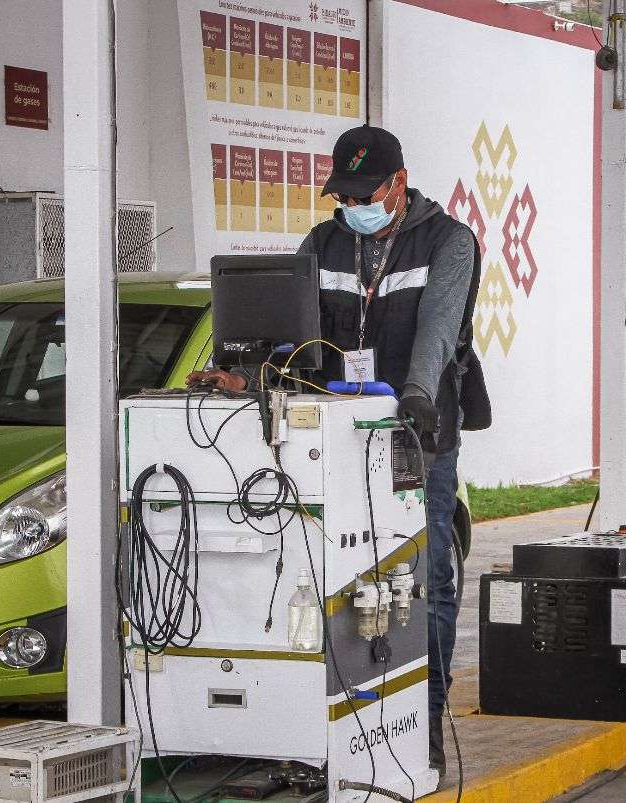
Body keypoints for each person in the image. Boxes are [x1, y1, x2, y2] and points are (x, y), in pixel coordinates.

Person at [189, 125, 485, 779]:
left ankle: (423, 723)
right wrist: (245, 373)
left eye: (364, 192)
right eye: (343, 194)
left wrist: (414, 395)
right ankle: (324, 726)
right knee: (323, 576)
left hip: (415, 432)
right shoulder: (323, 244)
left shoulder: (448, 242)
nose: (352, 205)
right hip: (328, 436)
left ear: (397, 185)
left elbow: (438, 330)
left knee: (422, 577)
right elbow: (289, 329)